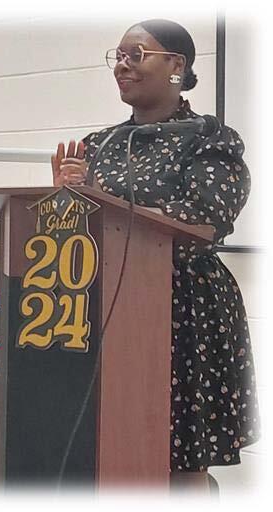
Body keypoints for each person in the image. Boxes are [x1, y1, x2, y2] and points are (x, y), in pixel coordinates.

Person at [51, 19, 260, 493]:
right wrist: (65, 200)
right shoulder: (98, 143)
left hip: (184, 311)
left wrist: (101, 196)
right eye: (118, 56)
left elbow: (203, 222)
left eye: (136, 54)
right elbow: (82, 230)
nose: (122, 65)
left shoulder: (210, 140)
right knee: (112, 444)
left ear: (175, 66)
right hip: (105, 310)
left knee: (179, 456)